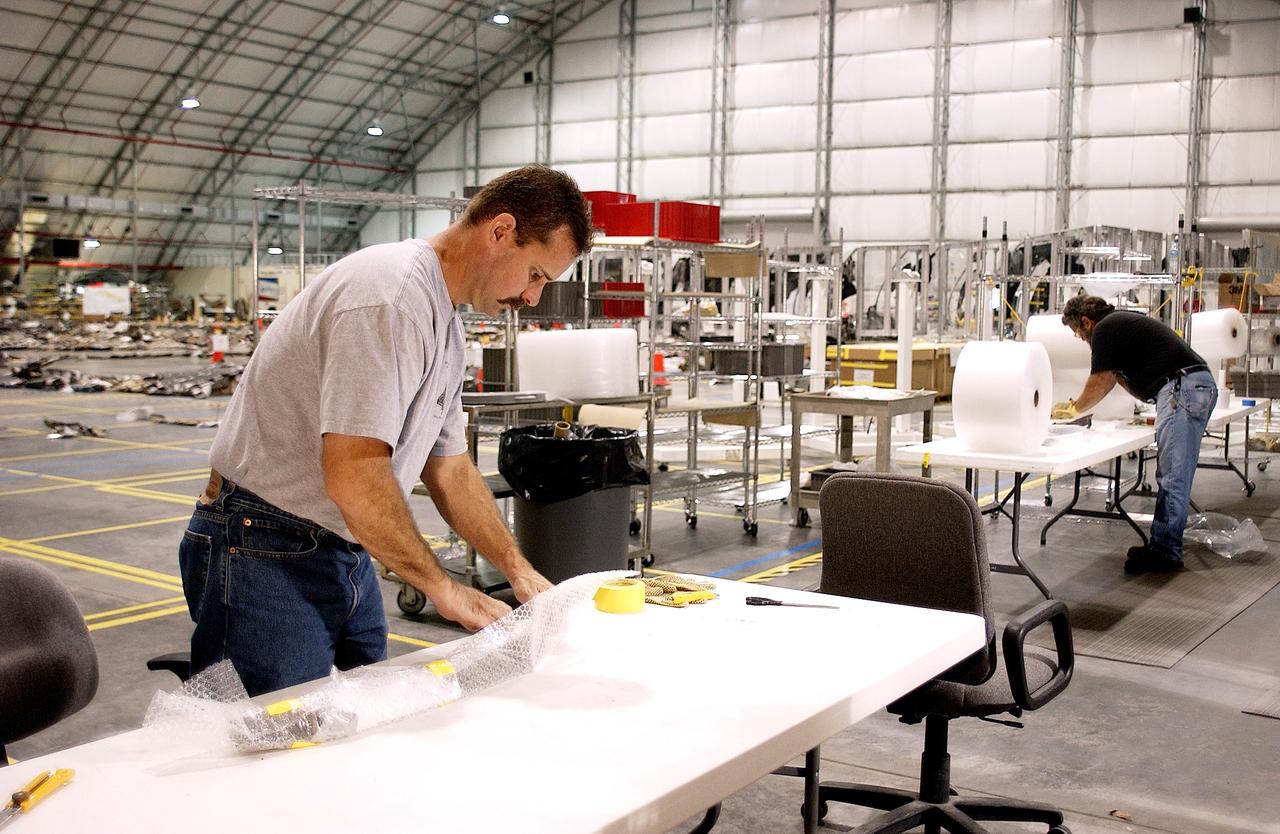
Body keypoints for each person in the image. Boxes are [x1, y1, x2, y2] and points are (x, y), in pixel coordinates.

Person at [180, 165, 594, 696]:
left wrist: (517, 569)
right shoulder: (390, 296)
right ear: (500, 232)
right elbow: (354, 473)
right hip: (262, 543)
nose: (533, 298)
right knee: (273, 742)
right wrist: (444, 588)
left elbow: (449, 467)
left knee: (357, 722)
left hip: (341, 544)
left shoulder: (443, 322)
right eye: (536, 274)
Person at [1055, 295, 1217, 575]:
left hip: (1182, 388)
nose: (1082, 340)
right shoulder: (1123, 323)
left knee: (1173, 473)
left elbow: (1099, 382)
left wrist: (1073, 409)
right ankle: (1163, 544)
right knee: (1174, 471)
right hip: (1192, 385)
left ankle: (1166, 552)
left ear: (1086, 321)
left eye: (1079, 334)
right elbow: (1121, 381)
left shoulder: (1104, 329)